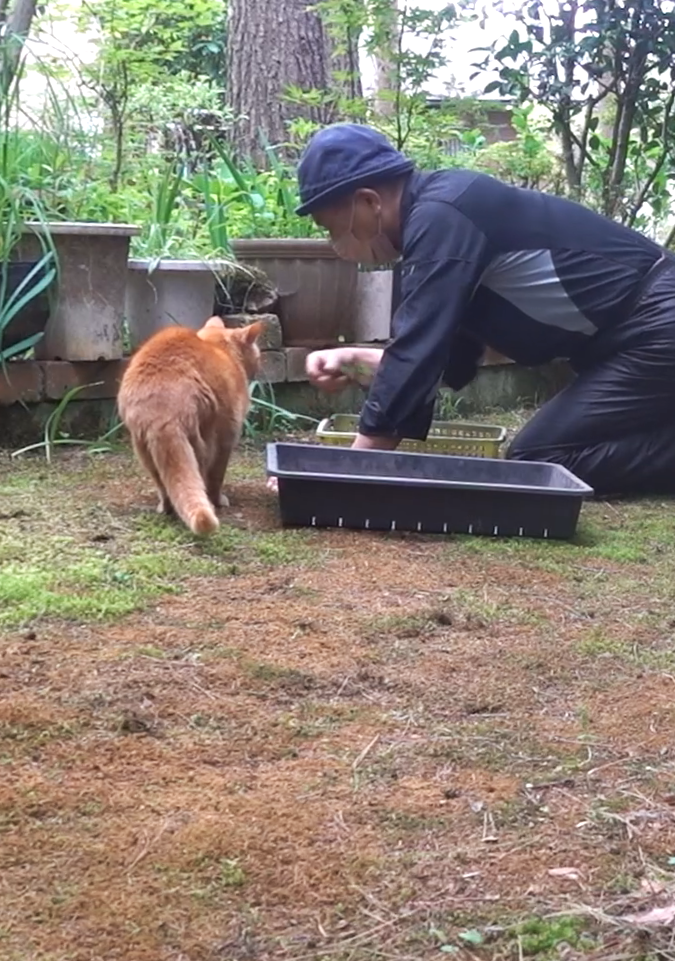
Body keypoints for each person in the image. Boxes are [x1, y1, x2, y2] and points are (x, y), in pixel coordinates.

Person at [293, 122, 675, 496]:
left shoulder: (443, 215)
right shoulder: (439, 220)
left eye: (332, 227)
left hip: (657, 324)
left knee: (540, 458)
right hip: (637, 337)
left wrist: (346, 472)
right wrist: (357, 361)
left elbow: (418, 356)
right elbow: (447, 361)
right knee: (540, 456)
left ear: (368, 201)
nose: (335, 243)